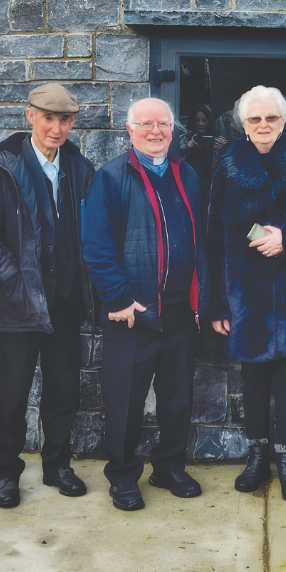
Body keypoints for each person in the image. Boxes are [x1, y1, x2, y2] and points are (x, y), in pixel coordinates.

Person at [0, 83, 96, 508]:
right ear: (30, 116)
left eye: (64, 120)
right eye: (48, 118)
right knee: (12, 393)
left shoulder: (81, 169)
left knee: (63, 389)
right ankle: (7, 473)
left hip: (65, 302)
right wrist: (16, 283)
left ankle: (57, 465)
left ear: (73, 123)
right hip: (17, 303)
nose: (56, 128)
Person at [205, 86, 286, 502]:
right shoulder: (226, 166)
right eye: (254, 119)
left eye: (271, 119)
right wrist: (215, 301)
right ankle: (258, 457)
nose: (263, 126)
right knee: (255, 380)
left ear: (283, 122)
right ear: (242, 125)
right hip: (246, 294)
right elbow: (211, 238)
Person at [82, 97, 206, 511]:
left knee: (177, 399)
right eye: (146, 124)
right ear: (129, 130)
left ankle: (169, 467)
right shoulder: (112, 176)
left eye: (164, 125)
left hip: (178, 312)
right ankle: (122, 477)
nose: (156, 132)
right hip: (132, 313)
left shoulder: (185, 174)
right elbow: (97, 245)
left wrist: (201, 298)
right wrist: (118, 298)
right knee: (125, 402)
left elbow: (199, 239)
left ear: (174, 130)